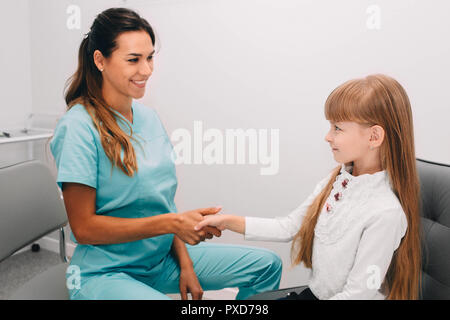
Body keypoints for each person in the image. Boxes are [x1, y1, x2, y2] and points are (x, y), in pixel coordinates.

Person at [50, 7, 281, 300]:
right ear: (100, 60)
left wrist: (185, 263)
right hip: (106, 273)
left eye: (149, 57)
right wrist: (173, 223)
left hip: (159, 261)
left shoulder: (148, 118)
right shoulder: (78, 127)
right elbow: (83, 228)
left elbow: (163, 203)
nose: (146, 70)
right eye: (133, 59)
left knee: (266, 266)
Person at [196, 74, 422, 300]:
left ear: (374, 136)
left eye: (337, 128)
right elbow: (288, 227)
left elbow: (358, 295)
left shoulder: (385, 214)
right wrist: (227, 222)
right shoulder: (335, 183)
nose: (327, 136)